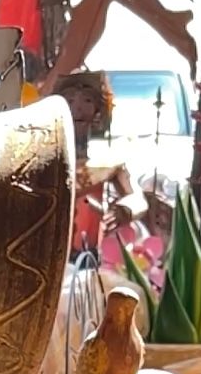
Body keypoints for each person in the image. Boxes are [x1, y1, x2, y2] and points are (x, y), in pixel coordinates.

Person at [55, 70, 147, 263]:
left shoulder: (107, 161)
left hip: (87, 258)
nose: (78, 108)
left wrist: (124, 210)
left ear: (98, 110)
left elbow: (138, 199)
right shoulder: (45, 160)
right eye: (70, 101)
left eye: (87, 101)